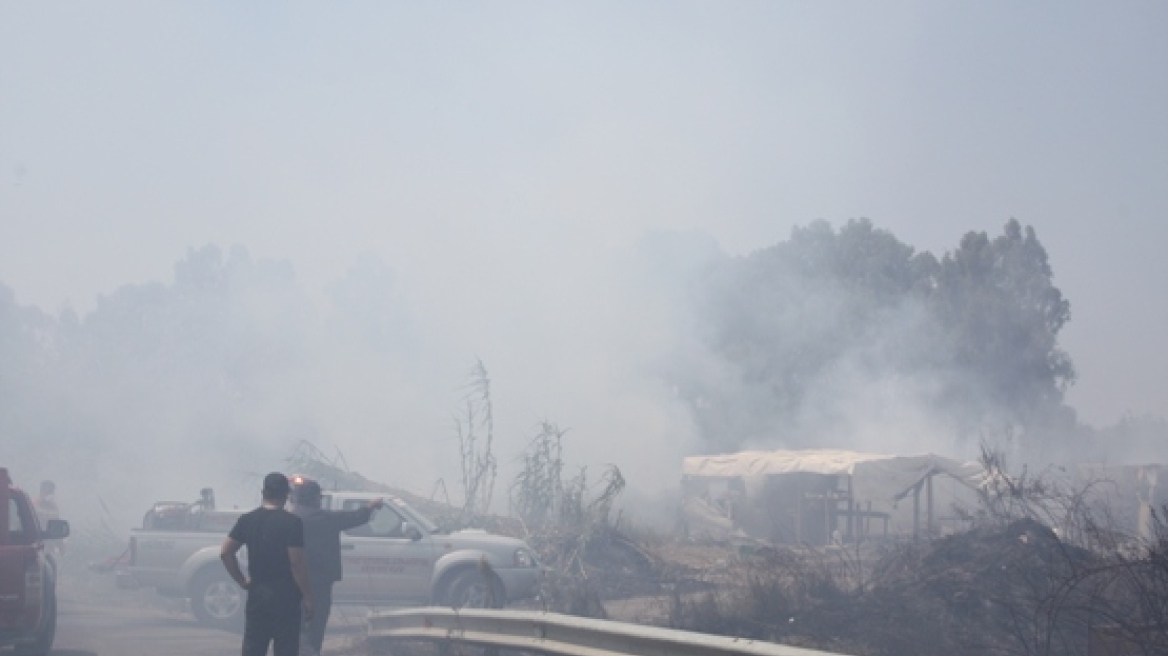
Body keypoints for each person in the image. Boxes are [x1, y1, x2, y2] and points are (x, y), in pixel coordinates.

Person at [221, 473, 315, 656]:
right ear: (286, 494)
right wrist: (308, 597)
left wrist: (241, 580)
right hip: (286, 597)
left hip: (257, 593)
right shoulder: (292, 523)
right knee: (286, 649)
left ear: (263, 492)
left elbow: (226, 552)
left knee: (253, 648)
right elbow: (296, 563)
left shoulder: (247, 520)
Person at [290, 480, 384, 656]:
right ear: (316, 497)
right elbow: (355, 517)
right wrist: (371, 506)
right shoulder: (324, 519)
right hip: (318, 583)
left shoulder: (289, 518)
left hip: (291, 581)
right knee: (314, 627)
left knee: (295, 628)